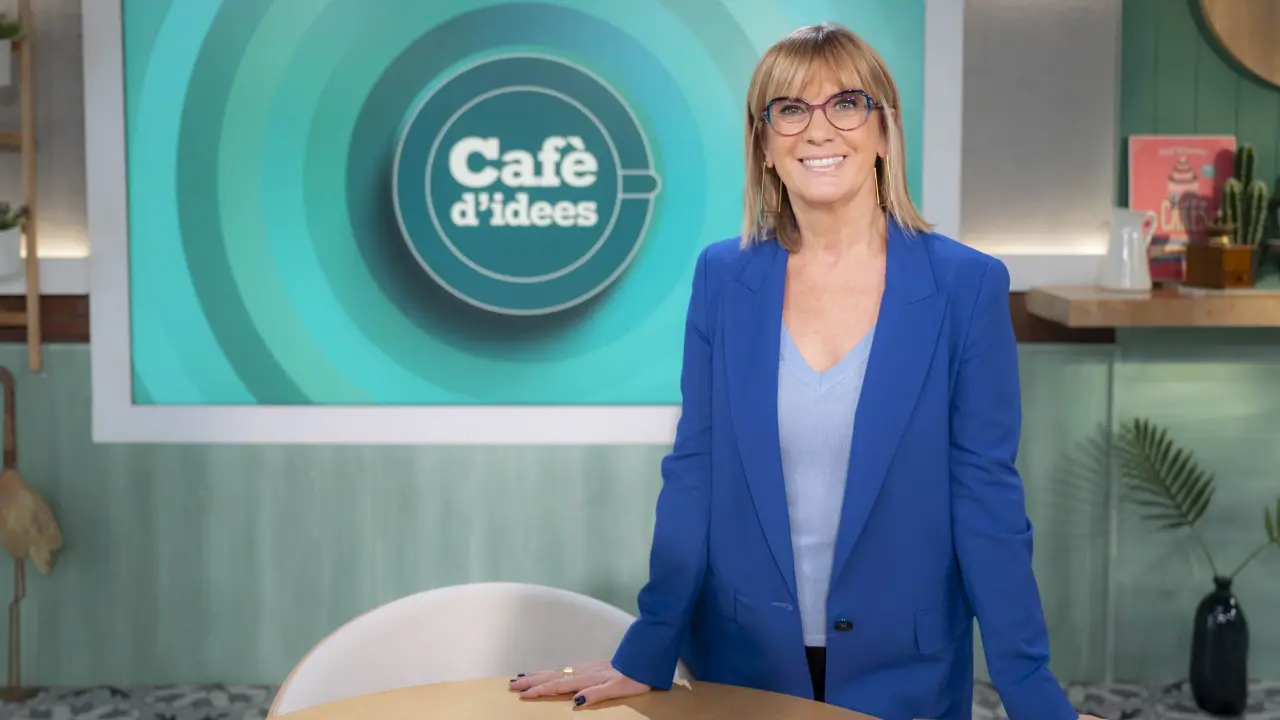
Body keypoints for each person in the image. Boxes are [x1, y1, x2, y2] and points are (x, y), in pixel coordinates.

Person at [510, 22, 1104, 720]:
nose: (818, 129)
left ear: (884, 130)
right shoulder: (723, 278)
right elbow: (695, 474)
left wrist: (1031, 692)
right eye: (790, 109)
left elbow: (986, 500)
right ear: (764, 144)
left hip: (906, 673)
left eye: (846, 103)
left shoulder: (965, 287)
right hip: (743, 667)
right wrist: (647, 646)